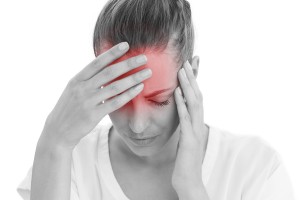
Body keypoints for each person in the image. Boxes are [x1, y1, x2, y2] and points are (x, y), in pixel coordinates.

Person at [17, 0, 295, 199]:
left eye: (159, 100)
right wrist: (53, 142)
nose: (137, 126)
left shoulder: (256, 168)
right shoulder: (70, 161)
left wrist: (191, 187)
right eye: (118, 97)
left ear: (191, 74)